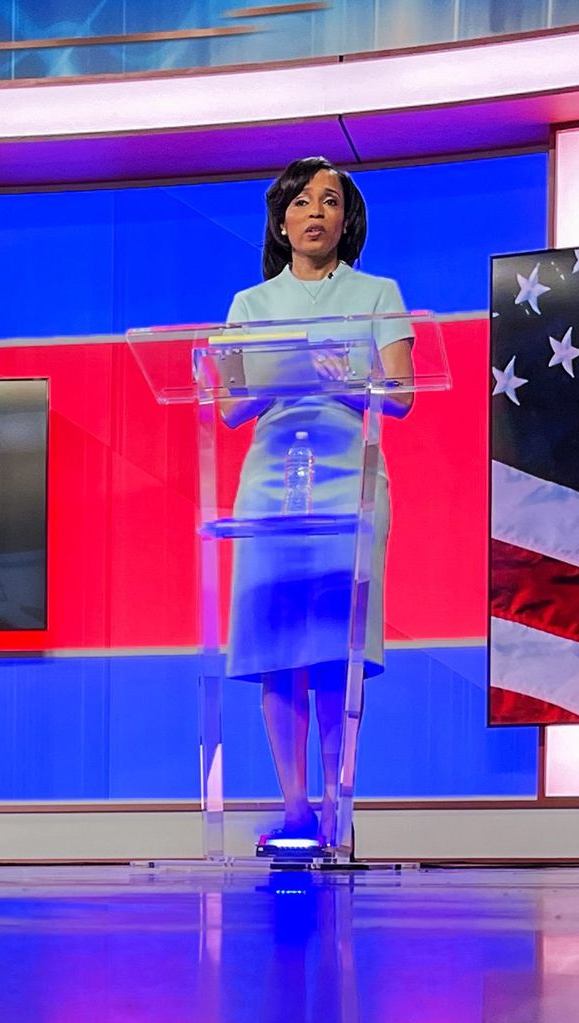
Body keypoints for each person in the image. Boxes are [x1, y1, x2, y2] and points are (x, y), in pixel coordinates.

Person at [221, 158, 414, 850]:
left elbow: (403, 395)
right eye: (301, 202)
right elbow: (230, 408)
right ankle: (296, 811)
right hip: (271, 483)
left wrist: (349, 380)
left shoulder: (378, 292)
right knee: (278, 651)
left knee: (335, 649)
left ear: (344, 220)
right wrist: (285, 376)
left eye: (329, 201)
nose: (315, 212)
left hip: (347, 480)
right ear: (281, 222)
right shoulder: (250, 304)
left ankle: (340, 807)